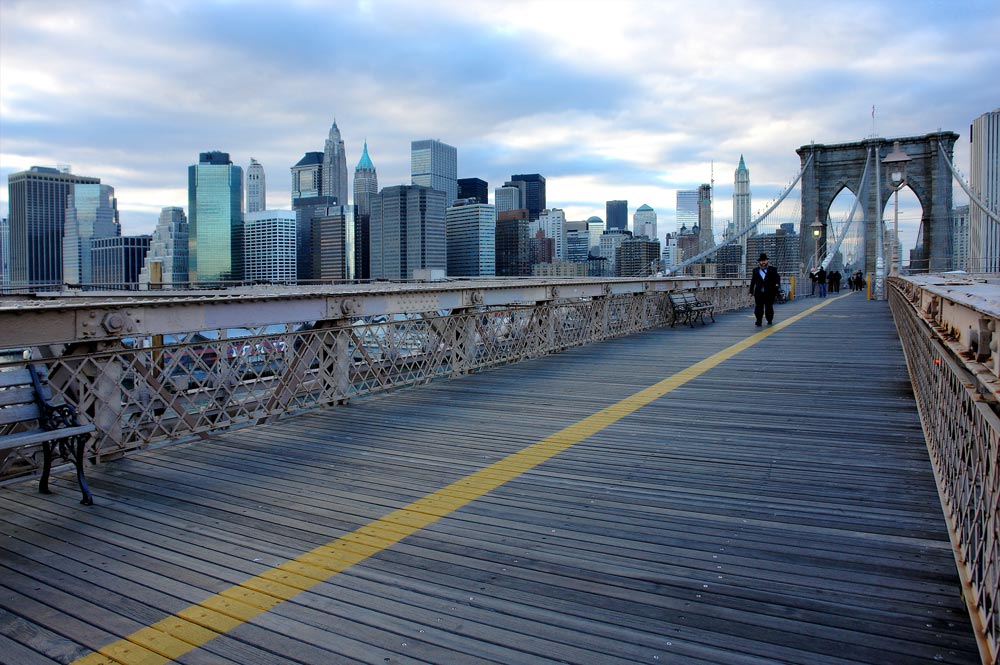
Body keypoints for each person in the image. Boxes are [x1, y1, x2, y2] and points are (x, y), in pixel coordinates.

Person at [748, 252, 781, 326]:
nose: (763, 262)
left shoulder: (773, 270)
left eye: (764, 261)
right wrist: (751, 291)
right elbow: (753, 281)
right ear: (759, 262)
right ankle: (758, 320)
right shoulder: (755, 270)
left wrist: (776, 287)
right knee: (758, 307)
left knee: (769, 306)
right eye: (761, 261)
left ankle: (769, 319)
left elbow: (777, 279)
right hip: (759, 292)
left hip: (769, 292)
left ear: (767, 261)